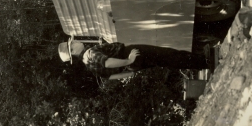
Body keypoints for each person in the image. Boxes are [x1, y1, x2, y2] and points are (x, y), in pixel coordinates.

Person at [58, 39, 210, 81]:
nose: (76, 41)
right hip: (131, 55)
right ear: (72, 50)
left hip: (133, 64)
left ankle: (200, 62)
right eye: (73, 43)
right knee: (167, 55)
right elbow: (107, 62)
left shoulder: (87, 64)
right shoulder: (90, 54)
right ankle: (204, 61)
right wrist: (129, 61)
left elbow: (109, 76)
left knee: (166, 60)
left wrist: (129, 72)